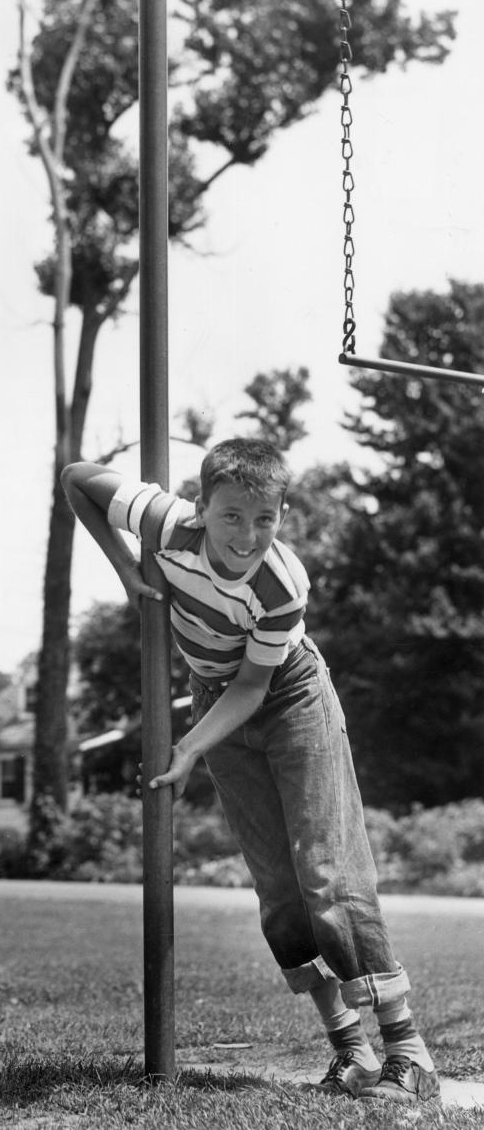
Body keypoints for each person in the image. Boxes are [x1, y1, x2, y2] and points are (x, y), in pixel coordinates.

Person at [61, 439, 439, 1106]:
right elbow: (76, 479)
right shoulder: (163, 522)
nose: (248, 535)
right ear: (202, 510)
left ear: (281, 516)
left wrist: (189, 750)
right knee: (280, 892)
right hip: (215, 697)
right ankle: (350, 1050)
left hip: (288, 696)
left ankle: (408, 1054)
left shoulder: (282, 583)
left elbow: (255, 685)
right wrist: (125, 567)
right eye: (232, 516)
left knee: (329, 875)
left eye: (265, 519)